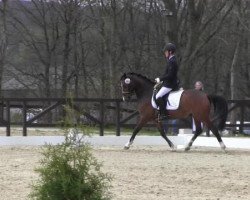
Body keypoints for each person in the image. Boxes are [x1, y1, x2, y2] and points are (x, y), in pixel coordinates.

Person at [155, 42, 179, 122]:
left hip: (170, 84)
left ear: (170, 52)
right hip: (167, 83)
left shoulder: (172, 61)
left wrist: (160, 79)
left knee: (158, 96)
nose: (165, 53)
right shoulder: (170, 60)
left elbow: (170, 75)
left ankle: (164, 114)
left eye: (166, 51)